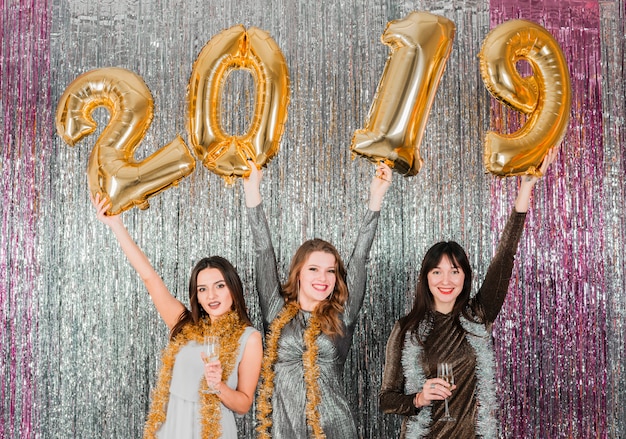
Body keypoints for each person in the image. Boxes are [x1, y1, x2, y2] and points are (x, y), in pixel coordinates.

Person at [379, 148, 559, 438]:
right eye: (436, 271)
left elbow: (504, 257)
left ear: (465, 276)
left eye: (454, 271)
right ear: (426, 278)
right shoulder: (407, 328)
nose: (445, 280)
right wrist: (418, 399)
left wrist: (525, 189)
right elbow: (386, 399)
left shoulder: (479, 314)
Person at [90, 193, 263, 439]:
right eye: (202, 289)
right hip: (172, 429)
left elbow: (244, 404)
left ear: (234, 289)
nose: (211, 295)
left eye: (220, 286)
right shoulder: (183, 324)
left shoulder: (249, 338)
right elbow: (149, 277)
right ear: (197, 296)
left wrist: (218, 387)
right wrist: (116, 225)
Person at [242, 160, 392, 438]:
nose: (322, 278)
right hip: (284, 430)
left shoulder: (341, 316)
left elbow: (360, 258)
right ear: (298, 273)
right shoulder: (277, 310)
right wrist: (252, 191)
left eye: (330, 271)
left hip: (334, 429)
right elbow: (263, 250)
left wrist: (376, 197)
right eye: (313, 269)